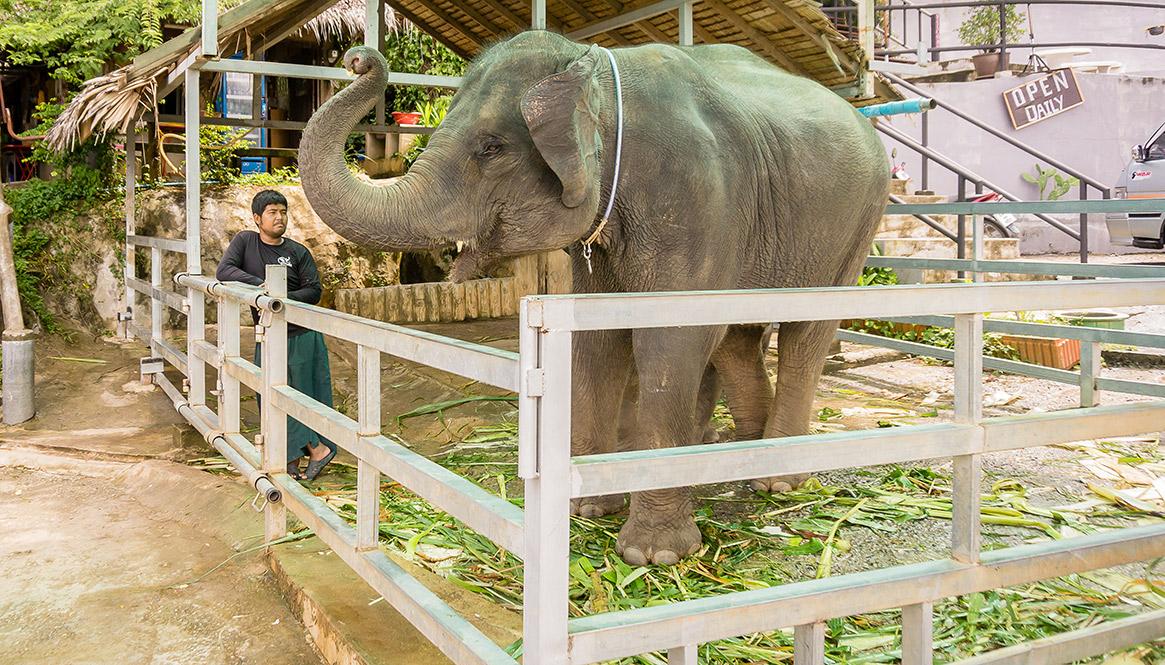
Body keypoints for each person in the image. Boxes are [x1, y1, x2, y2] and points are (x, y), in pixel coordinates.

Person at [216, 190, 337, 481]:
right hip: (267, 335)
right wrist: (262, 285)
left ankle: (315, 449)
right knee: (268, 394)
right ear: (257, 218)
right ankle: (294, 454)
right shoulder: (246, 242)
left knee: (300, 394)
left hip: (301, 335)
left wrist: (281, 297)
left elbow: (314, 291)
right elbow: (225, 270)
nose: (279, 217)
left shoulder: (297, 252)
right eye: (272, 212)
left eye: (282, 212)